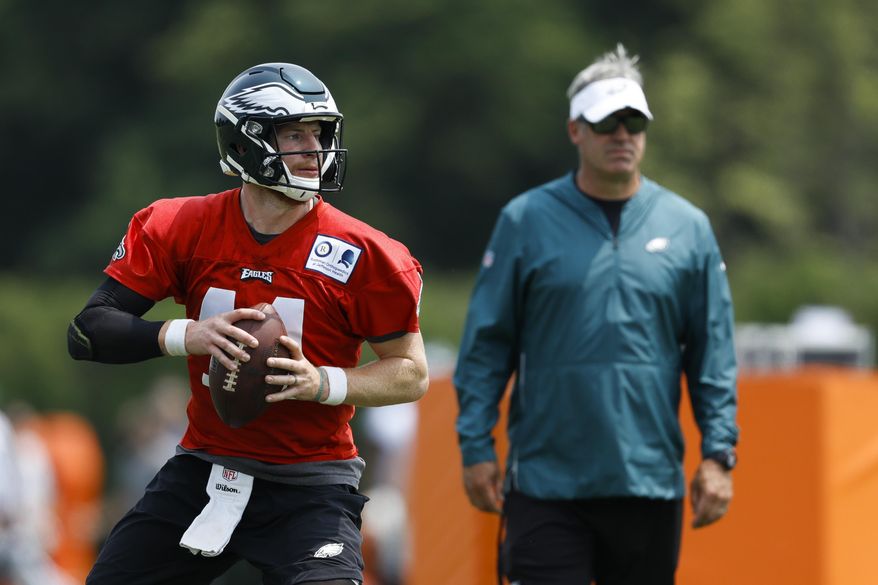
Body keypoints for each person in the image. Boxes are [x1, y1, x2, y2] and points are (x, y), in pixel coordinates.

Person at [67, 62, 429, 585]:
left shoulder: (367, 254)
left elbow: (411, 372)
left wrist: (323, 382)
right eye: (294, 134)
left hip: (311, 487)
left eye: (319, 134)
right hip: (203, 469)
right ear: (247, 143)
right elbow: (88, 331)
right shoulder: (180, 226)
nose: (314, 149)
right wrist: (186, 335)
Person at [453, 44, 738, 585]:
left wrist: (719, 454)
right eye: (606, 121)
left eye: (634, 121)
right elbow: (487, 345)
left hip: (648, 482)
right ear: (575, 130)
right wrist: (475, 445)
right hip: (545, 483)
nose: (622, 134)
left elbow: (712, 354)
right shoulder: (525, 220)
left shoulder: (688, 226)